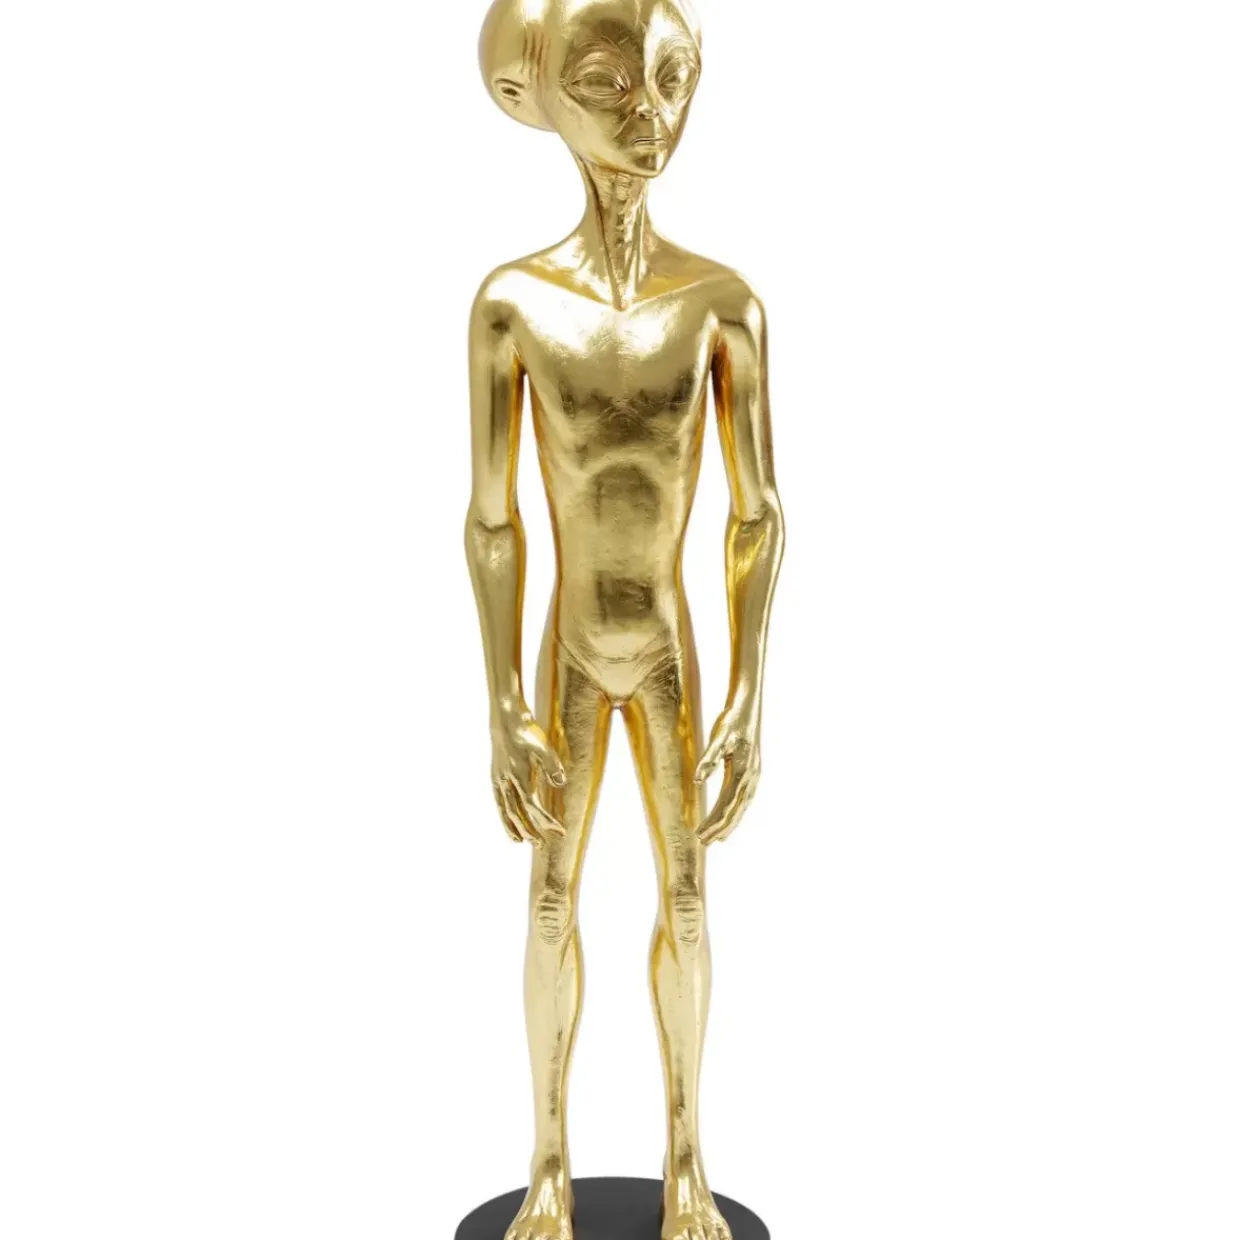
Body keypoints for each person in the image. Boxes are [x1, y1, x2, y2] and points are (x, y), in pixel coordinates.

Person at [465, 3, 784, 1237]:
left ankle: (685, 1158)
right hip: (565, 649)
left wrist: (749, 691)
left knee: (686, 896)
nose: (649, 114)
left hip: (663, 650)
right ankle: (547, 1159)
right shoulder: (512, 306)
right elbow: (492, 519)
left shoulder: (720, 306)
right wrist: (502, 698)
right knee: (550, 897)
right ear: (536, 96)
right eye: (606, 82)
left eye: (672, 76)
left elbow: (756, 513)